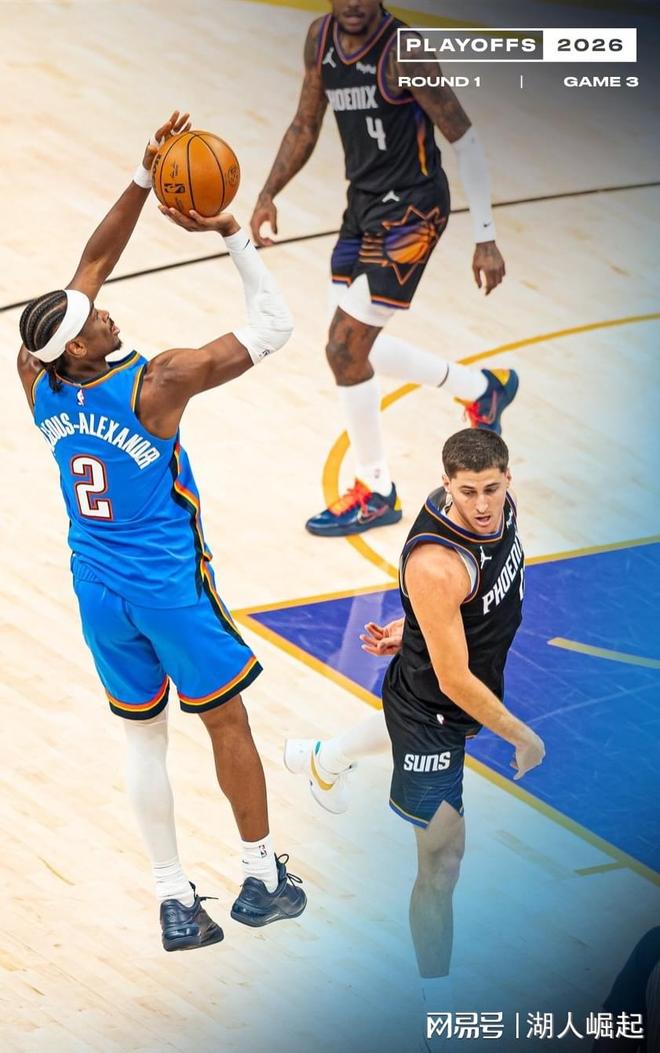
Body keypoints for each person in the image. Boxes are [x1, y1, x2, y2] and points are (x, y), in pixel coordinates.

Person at [17, 111, 306, 951]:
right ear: (81, 350)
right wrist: (229, 232)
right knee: (226, 720)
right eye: (93, 322)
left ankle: (174, 898)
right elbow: (273, 327)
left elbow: (90, 266)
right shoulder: (158, 383)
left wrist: (144, 178)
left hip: (96, 586)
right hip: (168, 585)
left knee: (142, 737)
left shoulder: (34, 372)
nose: (105, 313)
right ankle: (261, 876)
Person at [285, 428, 545, 982]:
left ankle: (325, 758)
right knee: (442, 864)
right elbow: (452, 679)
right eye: (468, 491)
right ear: (446, 483)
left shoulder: (503, 510)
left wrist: (415, 628)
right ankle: (436, 1004)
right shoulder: (436, 563)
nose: (482, 505)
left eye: (492, 489)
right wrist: (523, 736)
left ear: (508, 478)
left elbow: (460, 610)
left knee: (431, 721)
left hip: (464, 675)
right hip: (433, 709)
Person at [251, 1, 517, 537]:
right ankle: (481, 388)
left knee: (343, 347)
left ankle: (376, 492)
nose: (353, 4)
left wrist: (485, 236)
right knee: (354, 346)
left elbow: (463, 137)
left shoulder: (404, 50)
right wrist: (267, 193)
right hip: (363, 206)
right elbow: (305, 123)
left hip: (414, 212)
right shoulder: (320, 39)